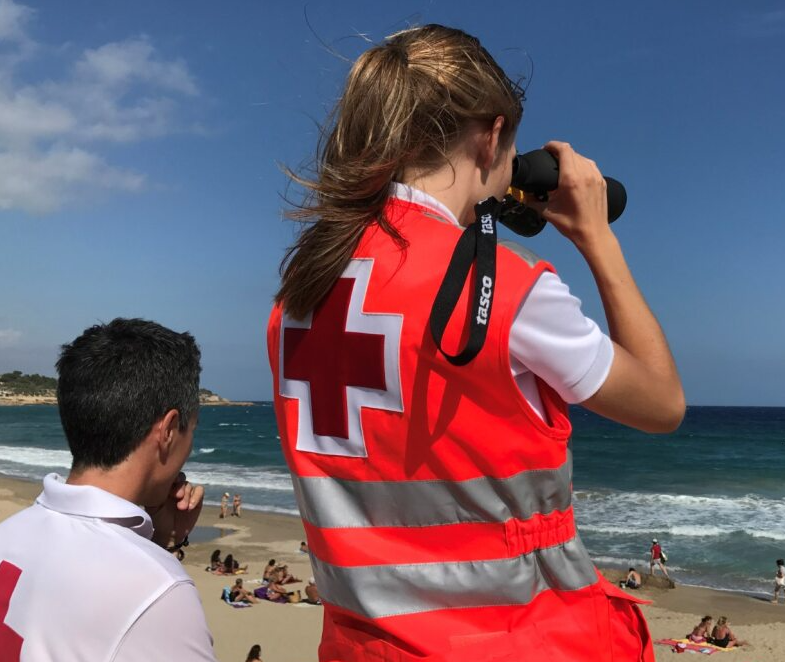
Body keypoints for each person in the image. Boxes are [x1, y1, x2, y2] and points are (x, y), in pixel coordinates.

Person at [267, 24, 683, 662]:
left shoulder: (301, 291)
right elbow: (661, 403)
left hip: (362, 645)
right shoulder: (508, 290)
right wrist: (599, 239)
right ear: (491, 137)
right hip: (515, 643)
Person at [0, 318, 216, 660]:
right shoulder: (159, 594)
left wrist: (159, 542)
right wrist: (160, 560)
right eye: (193, 429)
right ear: (170, 430)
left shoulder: (1, 540)